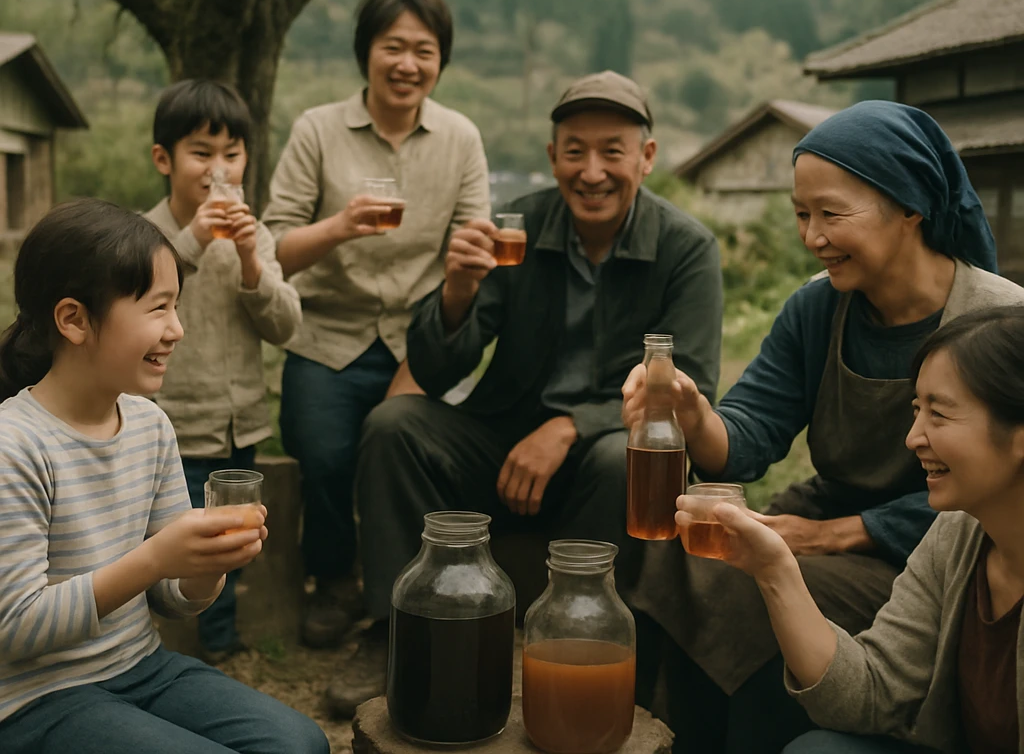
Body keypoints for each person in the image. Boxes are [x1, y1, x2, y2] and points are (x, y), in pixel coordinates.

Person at [622, 100, 1024, 754]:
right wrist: (695, 413)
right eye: (802, 215)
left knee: (760, 591)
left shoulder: (997, 320)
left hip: (927, 543)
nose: (813, 236)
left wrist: (840, 536)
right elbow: (747, 438)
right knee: (683, 557)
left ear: (909, 208)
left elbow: (1002, 501)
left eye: (832, 214)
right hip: (825, 515)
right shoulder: (818, 305)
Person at [325, 70, 724, 719]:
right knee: (395, 423)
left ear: (646, 158)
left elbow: (693, 384)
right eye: (574, 151)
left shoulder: (686, 249)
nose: (591, 171)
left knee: (621, 456)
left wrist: (570, 424)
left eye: (612, 151)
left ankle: (582, 640)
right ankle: (395, 632)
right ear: (552, 158)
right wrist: (455, 291)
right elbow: (437, 365)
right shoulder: (524, 226)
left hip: (601, 457)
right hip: (504, 439)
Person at [0, 199, 328, 754]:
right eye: (157, 308)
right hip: (38, 696)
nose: (177, 329)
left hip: (140, 667)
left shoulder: (150, 425)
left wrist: (204, 568)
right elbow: (18, 626)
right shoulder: (16, 443)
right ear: (74, 320)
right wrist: (154, 558)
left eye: (177, 306)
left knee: (301, 744)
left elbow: (170, 599)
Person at [676, 306, 1024, 754]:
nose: (913, 437)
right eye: (916, 410)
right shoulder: (955, 536)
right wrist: (774, 569)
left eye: (938, 415)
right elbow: (871, 694)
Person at [262, 0, 491, 648]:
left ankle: (412, 593)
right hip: (327, 334)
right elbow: (275, 247)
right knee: (326, 459)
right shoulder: (317, 129)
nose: (408, 64)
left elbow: (473, 247)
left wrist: (426, 360)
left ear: (440, 62)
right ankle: (335, 581)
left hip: (420, 340)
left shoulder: (460, 137)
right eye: (394, 47)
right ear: (366, 52)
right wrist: (338, 226)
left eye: (424, 50)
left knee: (413, 458)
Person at [146, 79, 302, 663]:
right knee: (171, 543)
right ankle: (162, 652)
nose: (218, 170)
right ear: (164, 159)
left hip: (241, 425)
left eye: (232, 154)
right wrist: (194, 239)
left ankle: (221, 645)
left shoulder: (254, 234)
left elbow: (286, 326)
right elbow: (141, 308)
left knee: (231, 541)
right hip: (172, 426)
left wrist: (250, 262)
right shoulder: (143, 237)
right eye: (201, 153)